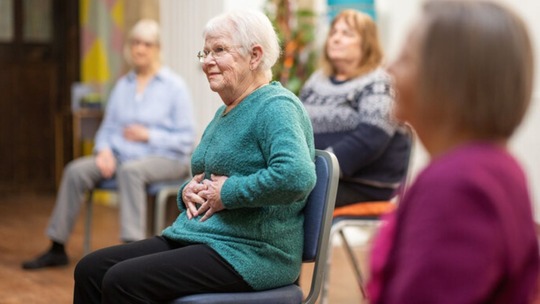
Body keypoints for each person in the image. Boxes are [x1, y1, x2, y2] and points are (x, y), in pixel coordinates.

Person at [73, 9, 317, 303]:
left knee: (122, 281)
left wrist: (227, 192)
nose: (208, 62)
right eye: (205, 53)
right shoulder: (225, 111)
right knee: (90, 269)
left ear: (255, 56)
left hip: (252, 252)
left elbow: (296, 175)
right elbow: (207, 179)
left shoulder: (276, 106)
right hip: (203, 237)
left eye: (219, 50)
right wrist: (187, 192)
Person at [368, 0, 539, 303]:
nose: (389, 69)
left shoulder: (457, 185)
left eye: (406, 58)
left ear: (448, 82)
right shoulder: (495, 165)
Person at [22, 19, 196, 270]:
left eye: (147, 44)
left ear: (158, 48)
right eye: (135, 43)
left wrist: (148, 135)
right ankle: (57, 246)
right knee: (75, 170)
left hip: (166, 159)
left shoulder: (175, 87)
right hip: (120, 157)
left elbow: (186, 139)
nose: (140, 49)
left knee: (131, 171)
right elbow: (108, 128)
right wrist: (103, 150)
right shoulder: (122, 86)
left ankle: (132, 251)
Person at [300, 9, 411, 208]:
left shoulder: (379, 82)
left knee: (290, 199)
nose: (336, 39)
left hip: (362, 184)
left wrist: (322, 170)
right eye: (334, 32)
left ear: (366, 43)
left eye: (346, 34)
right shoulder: (315, 81)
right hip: (318, 177)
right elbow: (298, 126)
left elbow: (371, 137)